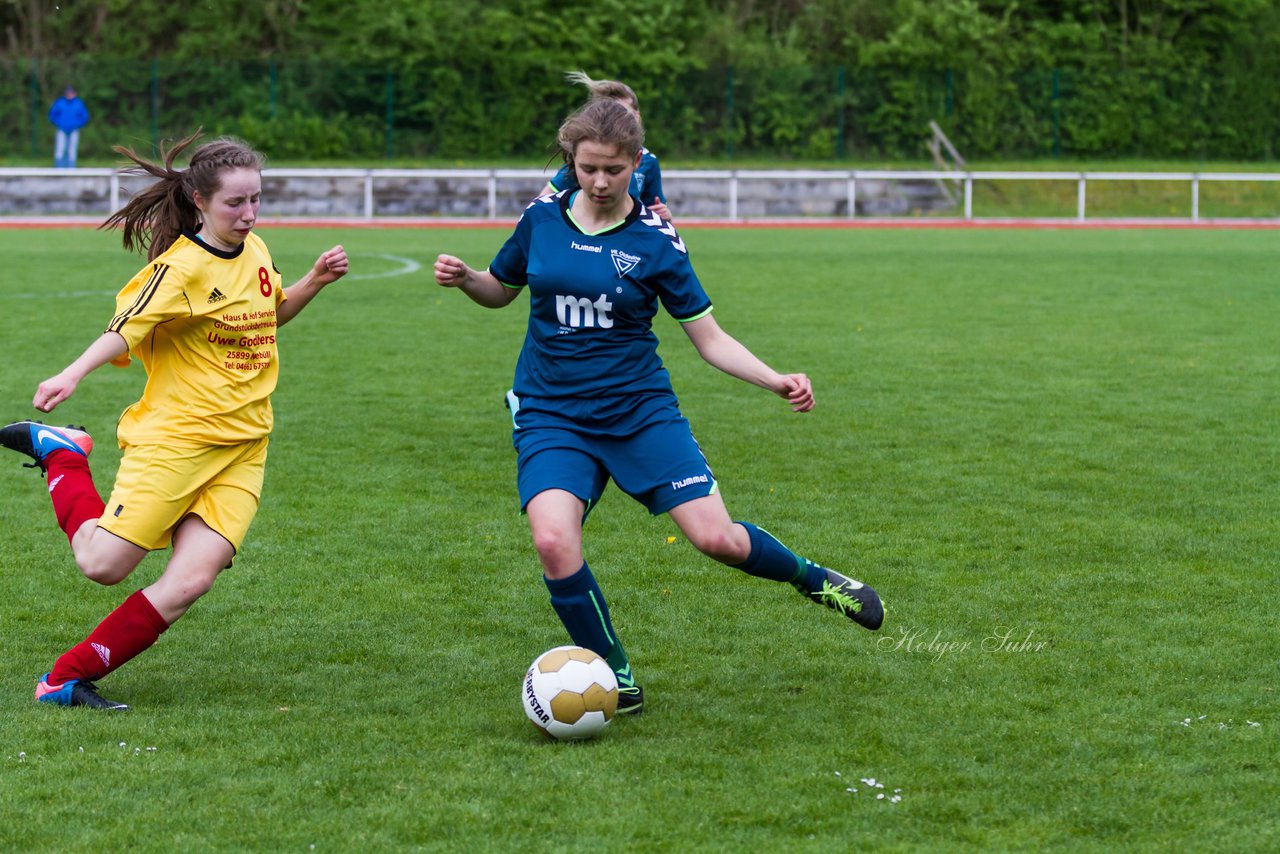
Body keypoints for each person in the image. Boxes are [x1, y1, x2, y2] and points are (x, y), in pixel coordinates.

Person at [435, 99, 882, 716]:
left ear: (636, 164)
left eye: (613, 170)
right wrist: (467, 280)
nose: (597, 181)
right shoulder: (540, 218)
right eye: (587, 167)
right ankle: (616, 677)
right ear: (571, 160)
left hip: (639, 412)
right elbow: (500, 289)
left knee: (718, 540)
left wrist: (774, 379)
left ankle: (815, 580)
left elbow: (710, 339)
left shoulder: (656, 241)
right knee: (553, 541)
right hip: (552, 412)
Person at [0, 131, 349, 711]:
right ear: (198, 199)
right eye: (235, 203)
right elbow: (124, 328)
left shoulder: (258, 251)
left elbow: (267, 317)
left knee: (191, 581)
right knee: (102, 564)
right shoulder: (179, 269)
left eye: (256, 199)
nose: (249, 213)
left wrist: (312, 281)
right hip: (177, 441)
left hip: (243, 448)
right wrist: (73, 373)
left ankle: (65, 678)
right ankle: (63, 453)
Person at [540, 71, 672, 221]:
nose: (601, 183)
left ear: (637, 117)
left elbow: (655, 212)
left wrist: (664, 217)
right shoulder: (587, 158)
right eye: (590, 170)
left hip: (626, 238)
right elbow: (543, 202)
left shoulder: (649, 162)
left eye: (614, 170)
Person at [49, 85, 90, 168]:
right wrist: (59, 123)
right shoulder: (60, 102)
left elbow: (85, 117)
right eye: (68, 93)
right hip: (61, 129)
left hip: (74, 129)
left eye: (71, 93)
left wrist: (77, 125)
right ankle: (58, 168)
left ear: (74, 94)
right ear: (65, 94)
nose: (69, 95)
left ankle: (71, 168)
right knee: (60, 148)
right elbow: (52, 115)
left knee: (72, 149)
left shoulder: (78, 103)